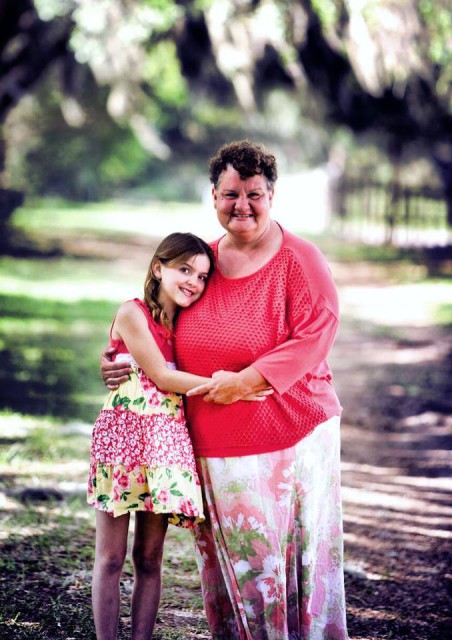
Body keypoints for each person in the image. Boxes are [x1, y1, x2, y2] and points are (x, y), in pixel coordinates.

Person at [102, 141, 348, 640]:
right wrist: (116, 360)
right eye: (230, 194)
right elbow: (153, 325)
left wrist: (248, 382)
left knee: (288, 567)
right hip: (212, 441)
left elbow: (318, 330)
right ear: (213, 195)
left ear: (272, 195)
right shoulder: (200, 265)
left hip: (292, 434)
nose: (242, 206)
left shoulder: (300, 259)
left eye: (254, 194)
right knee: (236, 571)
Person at [88, 233, 215, 640]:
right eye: (184, 269)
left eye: (202, 275)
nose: (193, 281)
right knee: (110, 557)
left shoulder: (191, 324)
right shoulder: (132, 313)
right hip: (122, 442)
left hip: (166, 447)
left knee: (149, 557)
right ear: (158, 268)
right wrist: (229, 385)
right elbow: (160, 376)